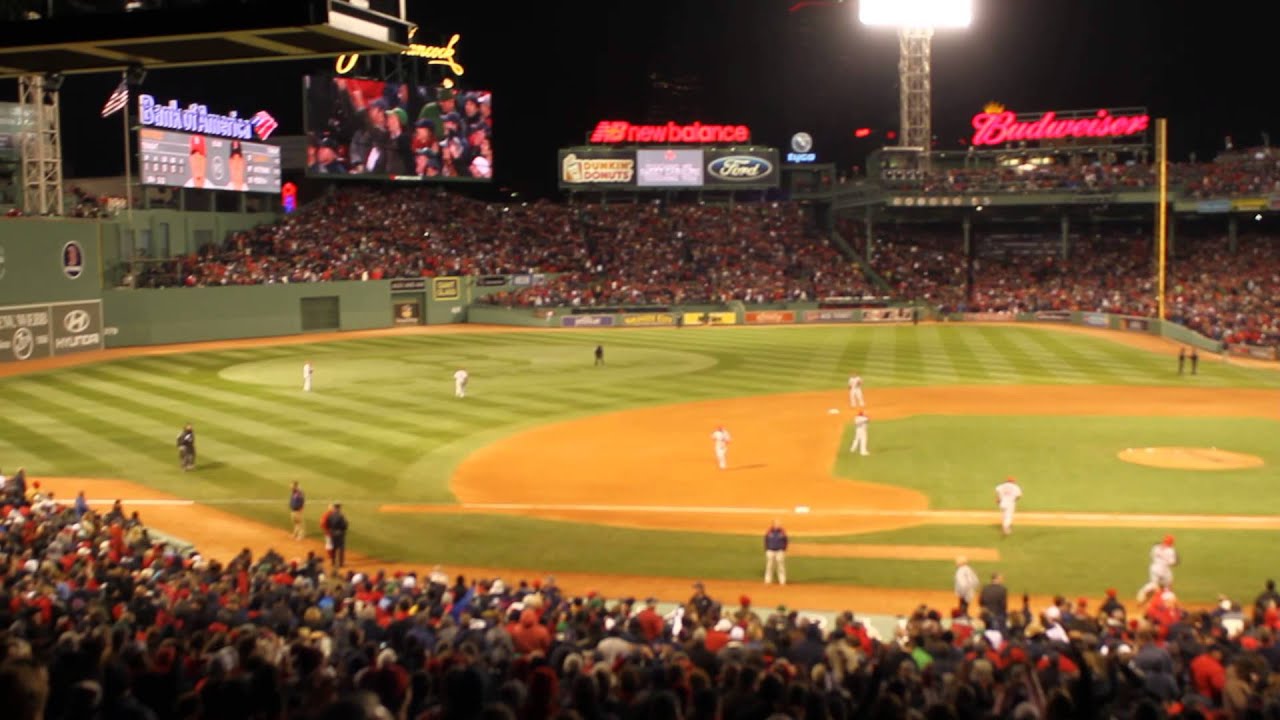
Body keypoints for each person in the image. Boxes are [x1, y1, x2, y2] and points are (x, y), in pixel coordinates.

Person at [1138, 534, 1179, 601]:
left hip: (1154, 568)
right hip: (1164, 570)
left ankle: (1143, 593)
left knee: (1154, 584)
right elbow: (1172, 563)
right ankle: (1168, 599)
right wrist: (1176, 562)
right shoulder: (1170, 550)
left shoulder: (1155, 547)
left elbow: (1151, 556)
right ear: (1171, 543)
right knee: (1168, 585)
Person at [764, 520, 788, 585]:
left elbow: (786, 541)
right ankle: (767, 581)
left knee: (781, 566)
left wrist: (783, 549)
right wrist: (767, 549)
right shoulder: (769, 531)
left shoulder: (782, 532)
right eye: (776, 524)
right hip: (770, 550)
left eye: (779, 524)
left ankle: (782, 581)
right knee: (769, 566)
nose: (778, 525)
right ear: (773, 524)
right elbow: (765, 540)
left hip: (780, 551)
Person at [328, 503, 348, 569]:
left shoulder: (331, 515)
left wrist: (332, 531)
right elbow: (344, 525)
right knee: (341, 548)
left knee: (334, 548)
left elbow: (329, 523)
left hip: (333, 534)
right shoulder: (341, 516)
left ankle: (333, 562)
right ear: (338, 508)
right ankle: (340, 563)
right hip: (340, 534)